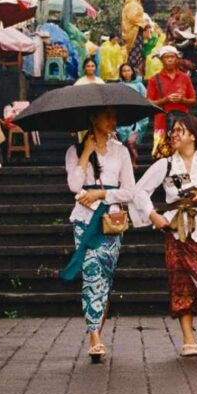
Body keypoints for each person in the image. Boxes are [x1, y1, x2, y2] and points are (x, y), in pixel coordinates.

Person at [131, 114, 197, 357]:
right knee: (180, 283)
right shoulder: (165, 165)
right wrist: (153, 215)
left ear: (193, 136)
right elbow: (139, 191)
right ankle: (188, 337)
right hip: (176, 230)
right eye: (173, 130)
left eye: (180, 130)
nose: (174, 134)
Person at [62, 106, 135, 362]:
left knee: (105, 276)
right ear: (93, 118)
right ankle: (94, 336)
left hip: (110, 220)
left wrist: (101, 193)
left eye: (114, 116)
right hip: (84, 219)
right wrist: (86, 153)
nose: (112, 121)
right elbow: (74, 185)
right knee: (91, 274)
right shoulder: (74, 150)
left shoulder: (121, 151)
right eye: (107, 116)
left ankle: (97, 331)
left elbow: (129, 191)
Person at [145, 45, 197, 157]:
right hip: (161, 124)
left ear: (177, 59)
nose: (169, 59)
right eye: (166, 57)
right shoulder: (154, 79)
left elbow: (193, 100)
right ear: (161, 60)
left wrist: (182, 100)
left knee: (183, 156)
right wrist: (165, 100)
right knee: (162, 157)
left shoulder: (184, 77)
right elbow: (148, 102)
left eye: (172, 57)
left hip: (182, 123)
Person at [116, 62, 149, 164]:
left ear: (132, 71)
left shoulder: (139, 85)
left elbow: (145, 98)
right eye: (124, 71)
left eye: (128, 70)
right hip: (123, 116)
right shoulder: (119, 86)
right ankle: (130, 162)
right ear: (121, 73)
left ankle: (134, 158)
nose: (126, 73)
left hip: (137, 117)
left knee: (132, 141)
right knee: (125, 142)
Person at [121, 0, 146, 73]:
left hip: (137, 31)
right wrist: (144, 23)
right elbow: (132, 18)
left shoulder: (136, 3)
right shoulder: (133, 4)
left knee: (137, 54)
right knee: (133, 54)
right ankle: (131, 72)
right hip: (133, 32)